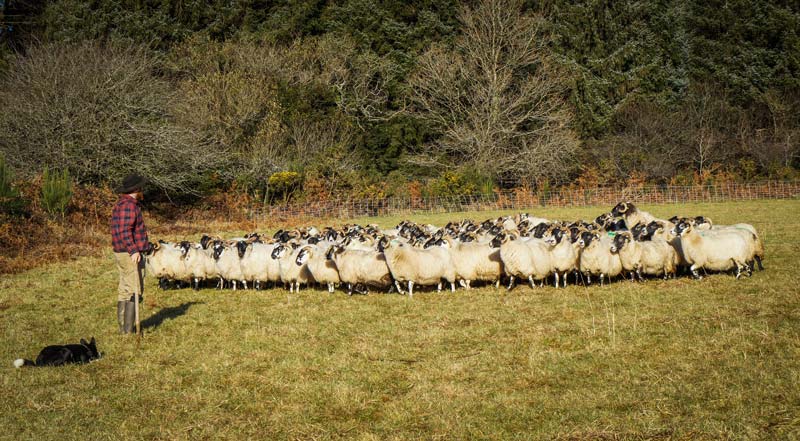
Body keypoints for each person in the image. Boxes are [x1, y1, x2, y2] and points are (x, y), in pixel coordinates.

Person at [110, 174, 150, 334]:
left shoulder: (122, 203)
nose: (142, 191)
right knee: (134, 289)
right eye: (141, 188)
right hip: (129, 254)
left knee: (125, 289)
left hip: (122, 252)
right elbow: (124, 230)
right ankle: (127, 331)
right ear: (136, 189)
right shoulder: (129, 206)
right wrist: (134, 251)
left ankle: (124, 330)